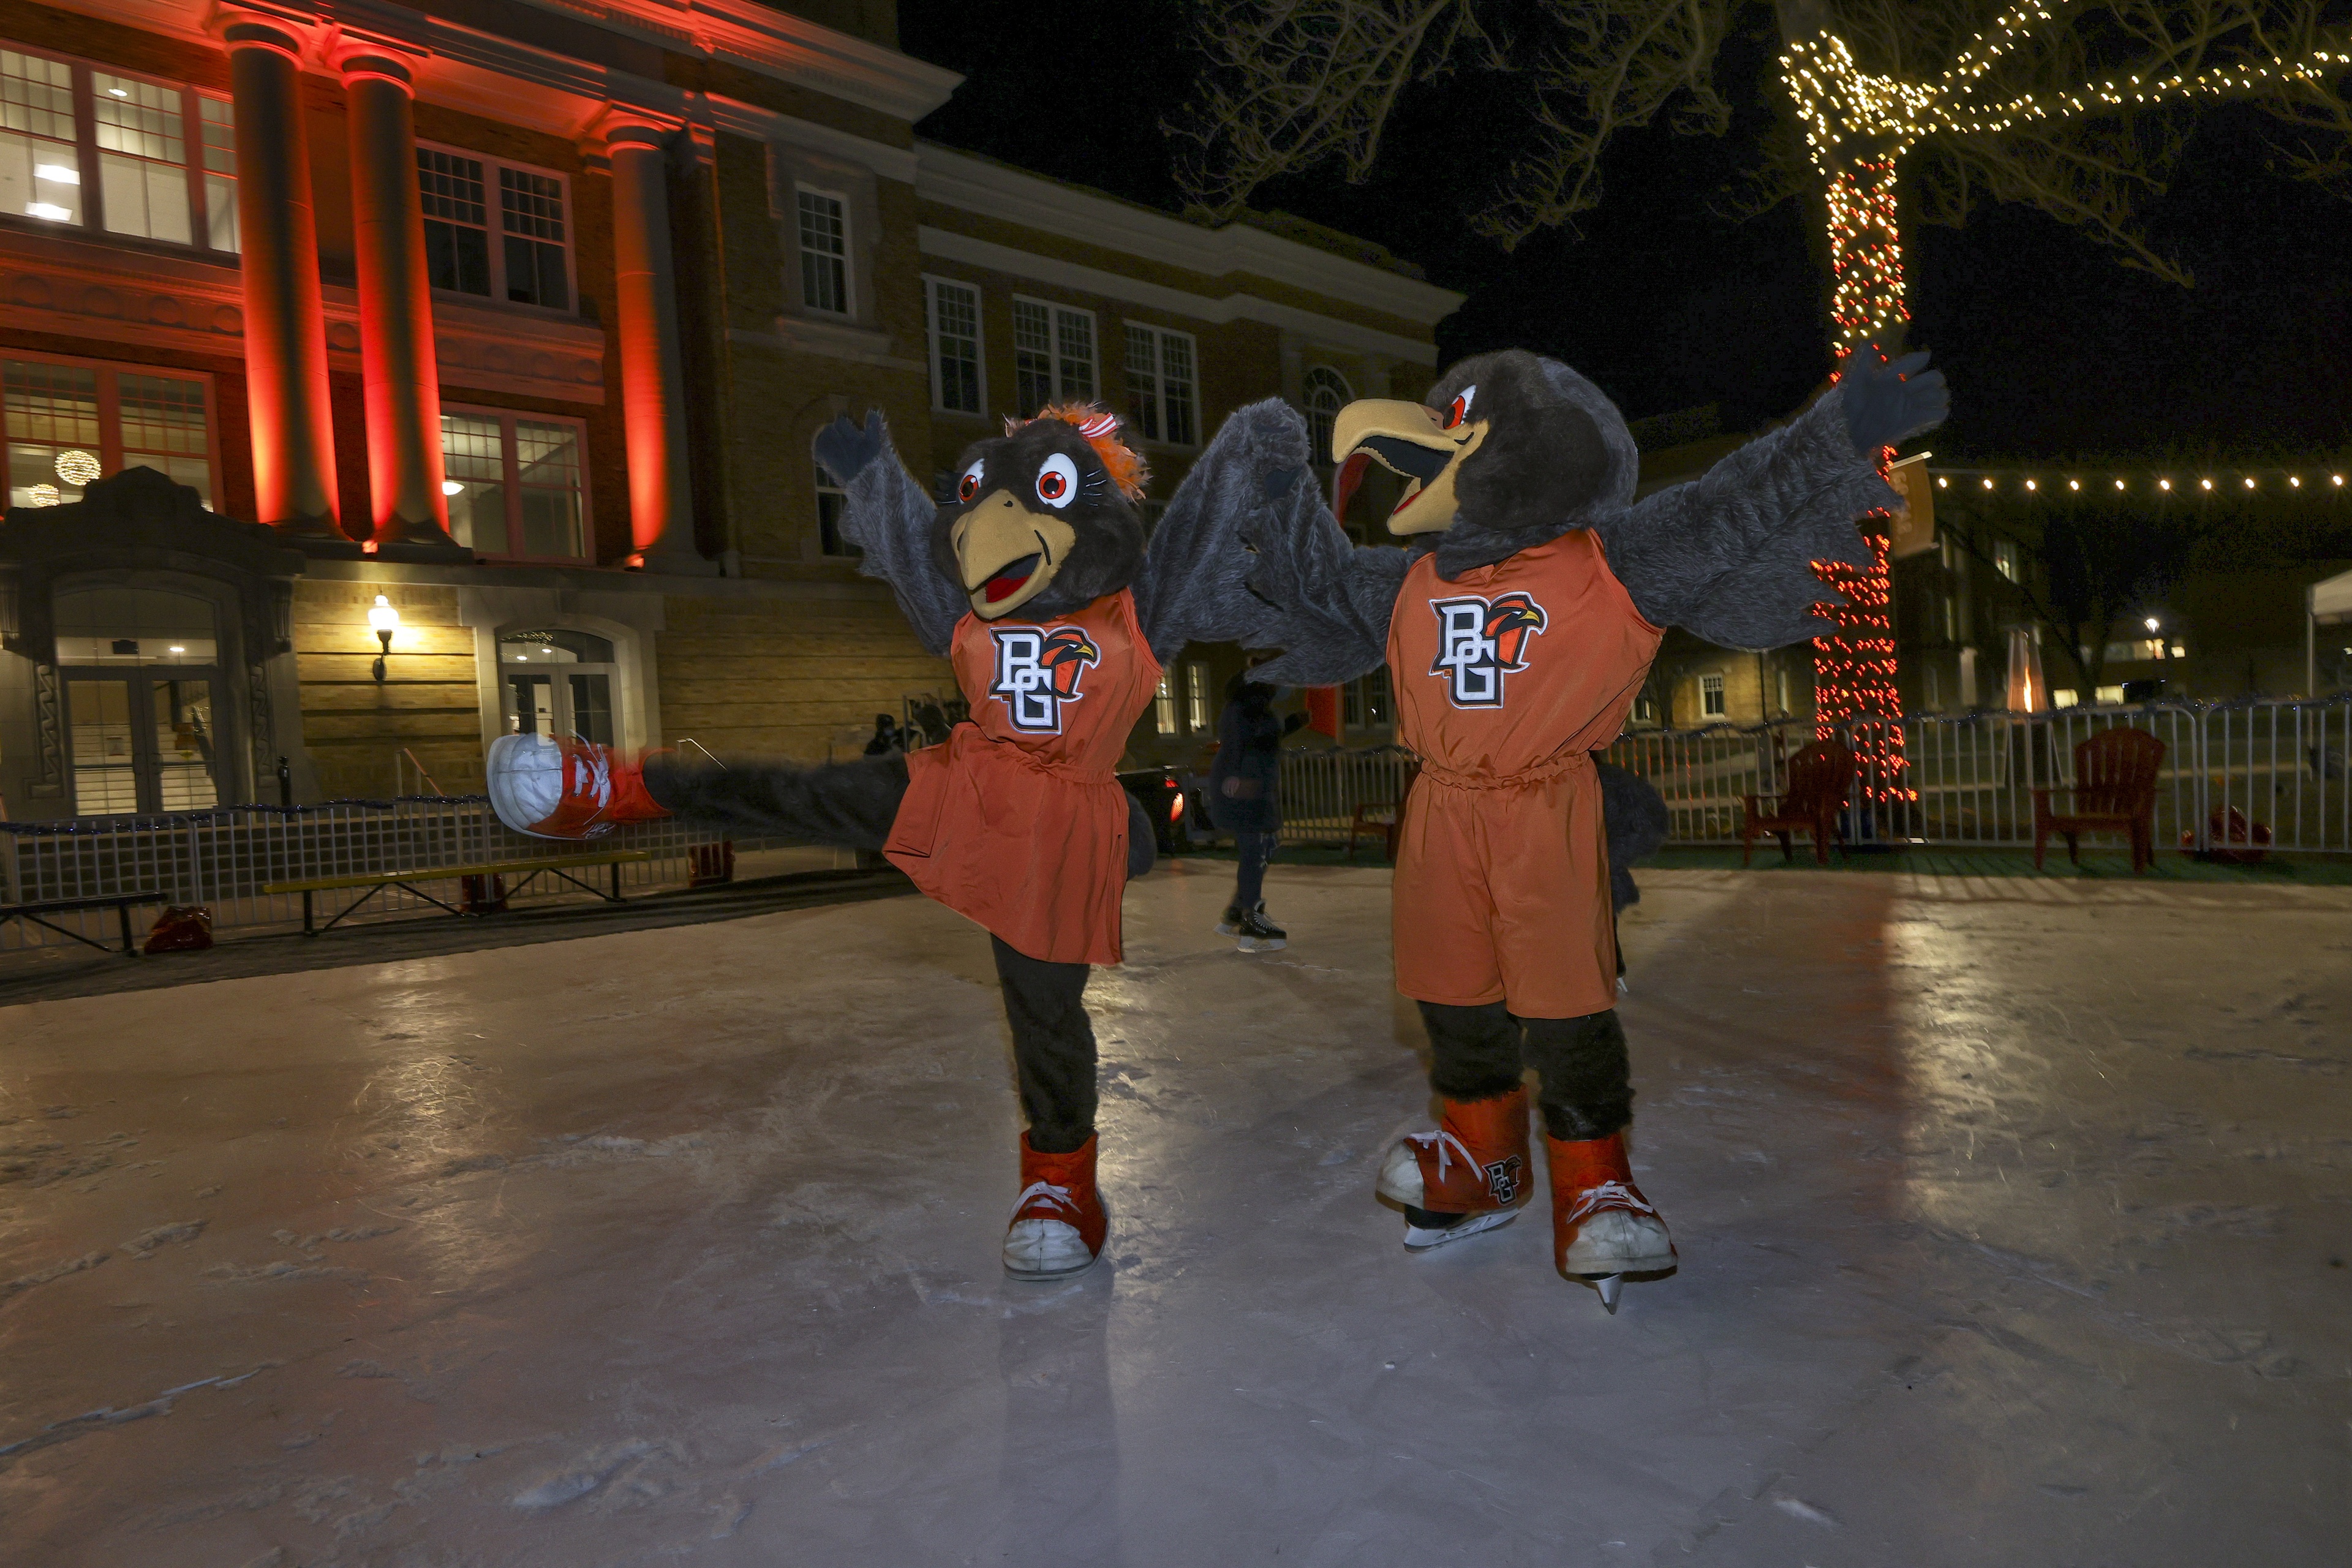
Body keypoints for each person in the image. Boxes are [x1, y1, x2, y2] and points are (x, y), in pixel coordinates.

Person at [1205, 671, 1295, 951]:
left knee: (1262, 847)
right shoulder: (1245, 708)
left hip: (1254, 788)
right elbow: (1236, 741)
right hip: (1245, 789)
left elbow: (1260, 741)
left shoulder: (1254, 708)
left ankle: (1237, 912)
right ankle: (1251, 919)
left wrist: (1292, 725)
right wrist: (1233, 774)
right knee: (1255, 851)